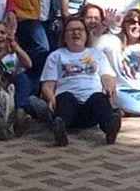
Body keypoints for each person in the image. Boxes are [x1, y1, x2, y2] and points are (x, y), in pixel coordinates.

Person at [40, 16, 121, 146]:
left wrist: (110, 87)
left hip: (91, 108)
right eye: (71, 30)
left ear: (86, 35)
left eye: (80, 30)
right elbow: (48, 85)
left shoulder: (97, 54)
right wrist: (51, 98)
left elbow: (108, 76)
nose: (76, 33)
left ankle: (110, 129)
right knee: (64, 97)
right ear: (64, 37)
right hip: (68, 107)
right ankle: (60, 130)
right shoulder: (56, 56)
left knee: (99, 98)